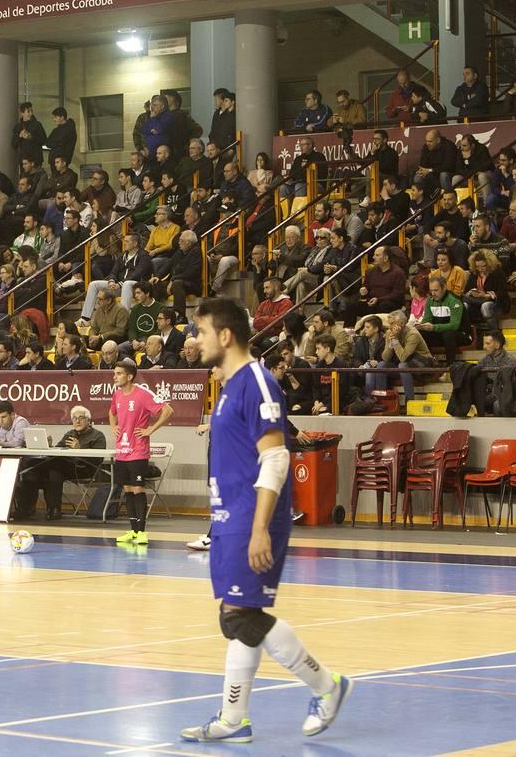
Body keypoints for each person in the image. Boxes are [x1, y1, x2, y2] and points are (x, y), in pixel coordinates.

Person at [181, 297, 350, 744]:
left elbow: (275, 458)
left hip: (252, 518)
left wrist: (259, 528)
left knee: (240, 618)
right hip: (229, 517)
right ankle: (234, 722)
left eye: (200, 332)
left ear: (225, 335)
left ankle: (327, 687)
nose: (195, 341)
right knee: (236, 616)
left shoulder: (257, 381)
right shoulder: (230, 384)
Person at [109, 359, 173, 546]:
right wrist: (113, 426)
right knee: (127, 489)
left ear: (129, 377)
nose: (115, 377)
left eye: (119, 374)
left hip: (138, 450)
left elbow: (168, 410)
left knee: (137, 489)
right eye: (114, 373)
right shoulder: (117, 395)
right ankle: (132, 531)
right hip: (122, 450)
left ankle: (142, 532)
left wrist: (151, 429)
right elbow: (111, 411)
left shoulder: (143, 394)